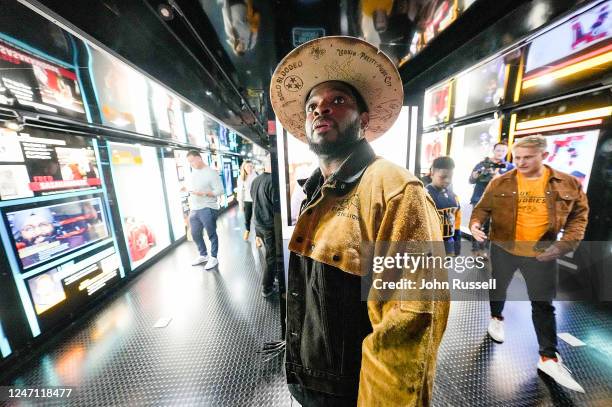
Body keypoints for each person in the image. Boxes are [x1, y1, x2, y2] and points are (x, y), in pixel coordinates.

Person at [270, 36, 448, 406]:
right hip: (313, 384)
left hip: (353, 393)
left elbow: (409, 324)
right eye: (313, 106)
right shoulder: (316, 190)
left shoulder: (395, 190)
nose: (322, 110)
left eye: (338, 101)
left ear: (363, 120)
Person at [470, 135, 589, 393]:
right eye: (518, 157)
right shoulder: (500, 181)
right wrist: (475, 225)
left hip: (542, 252)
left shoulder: (566, 183)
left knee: (543, 303)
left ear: (544, 156)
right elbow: (482, 208)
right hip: (504, 247)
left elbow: (579, 217)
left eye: (527, 157)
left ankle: (548, 357)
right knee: (498, 287)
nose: (521, 162)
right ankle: (496, 317)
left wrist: (564, 245)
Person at [469, 142, 514, 257]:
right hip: (479, 199)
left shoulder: (509, 167)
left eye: (503, 151)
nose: (500, 153)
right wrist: (476, 174)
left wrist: (498, 177)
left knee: (492, 228)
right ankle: (475, 251)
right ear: (494, 151)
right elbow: (471, 180)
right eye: (498, 150)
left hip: (498, 202)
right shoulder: (482, 164)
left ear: (507, 152)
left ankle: (484, 251)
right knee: (477, 225)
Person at [185, 150, 224, 270]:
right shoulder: (193, 172)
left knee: (211, 234)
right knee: (195, 234)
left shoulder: (211, 173)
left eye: (192, 161)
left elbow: (220, 191)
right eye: (189, 162)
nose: (191, 163)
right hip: (195, 209)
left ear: (199, 158)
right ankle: (203, 254)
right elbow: (193, 187)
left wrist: (204, 193)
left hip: (208, 207)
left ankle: (213, 257)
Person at [250, 155, 282, 298]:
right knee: (272, 257)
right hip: (269, 226)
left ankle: (274, 277)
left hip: (258, 223)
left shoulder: (256, 180)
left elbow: (253, 200)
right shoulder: (274, 182)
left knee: (268, 254)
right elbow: (277, 208)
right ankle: (266, 287)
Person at [425, 156, 461, 256]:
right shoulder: (424, 196)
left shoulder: (453, 196)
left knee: (443, 269)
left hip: (448, 244)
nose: (447, 181)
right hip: (430, 247)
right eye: (443, 177)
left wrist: (456, 245)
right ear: (432, 173)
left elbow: (457, 222)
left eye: (450, 177)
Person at [236, 160, 257, 241]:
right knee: (247, 218)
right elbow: (240, 192)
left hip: (256, 201)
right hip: (247, 201)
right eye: (248, 166)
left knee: (257, 219)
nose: (250, 168)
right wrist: (241, 205)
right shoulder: (241, 178)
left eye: (251, 166)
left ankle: (257, 237)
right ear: (244, 167)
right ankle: (247, 230)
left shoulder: (256, 176)